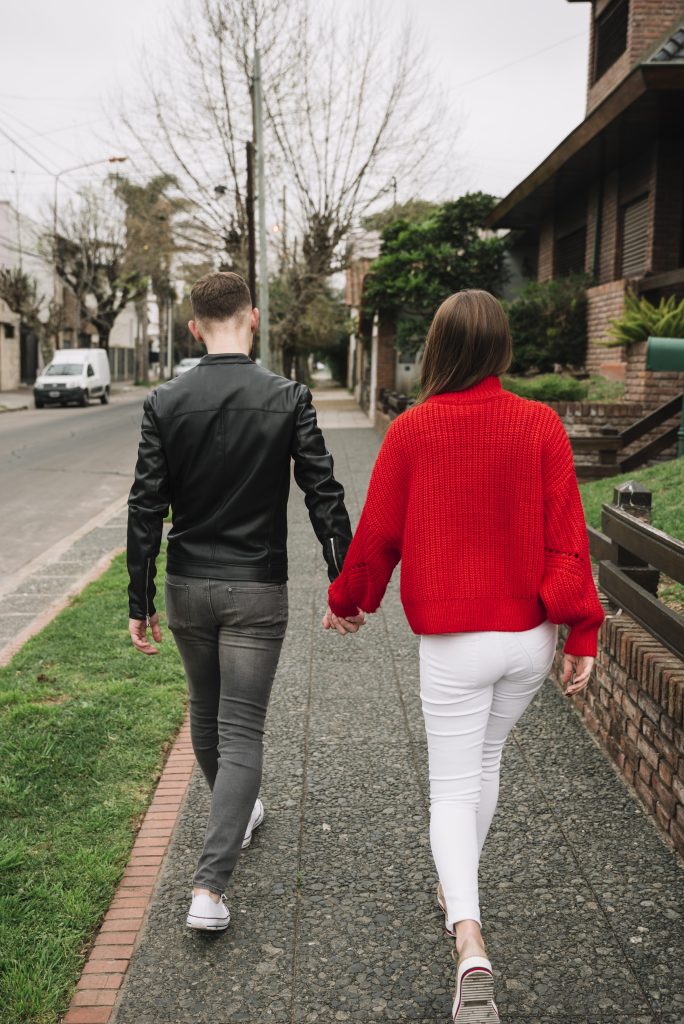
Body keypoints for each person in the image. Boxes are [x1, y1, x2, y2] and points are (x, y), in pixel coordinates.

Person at [325, 289, 605, 1023]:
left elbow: (380, 534)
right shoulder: (540, 424)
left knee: (452, 788)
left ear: (440, 349)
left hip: (454, 641)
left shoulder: (414, 429)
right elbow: (566, 538)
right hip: (527, 641)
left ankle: (469, 940)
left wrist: (348, 599)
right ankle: (458, 889)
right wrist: (582, 633)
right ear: (502, 348)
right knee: (485, 764)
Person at [126, 271, 361, 932]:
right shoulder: (287, 397)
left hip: (189, 587)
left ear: (194, 326)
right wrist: (342, 580)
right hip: (257, 587)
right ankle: (208, 888)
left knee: (209, 712)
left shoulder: (165, 401)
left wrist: (138, 600)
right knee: (241, 729)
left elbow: (146, 508)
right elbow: (324, 493)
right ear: (252, 318)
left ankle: (239, 814)